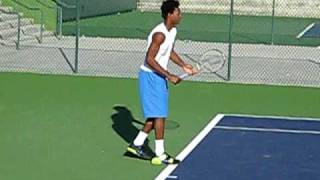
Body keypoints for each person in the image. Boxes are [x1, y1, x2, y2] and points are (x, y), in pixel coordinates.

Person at [127, 0, 197, 165]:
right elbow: (149, 59)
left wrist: (183, 65)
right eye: (178, 13)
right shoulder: (160, 34)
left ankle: (136, 144)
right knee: (160, 115)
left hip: (158, 76)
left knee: (155, 115)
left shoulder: (172, 32)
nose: (181, 15)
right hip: (150, 76)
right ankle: (161, 154)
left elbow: (169, 51)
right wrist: (169, 75)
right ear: (169, 14)